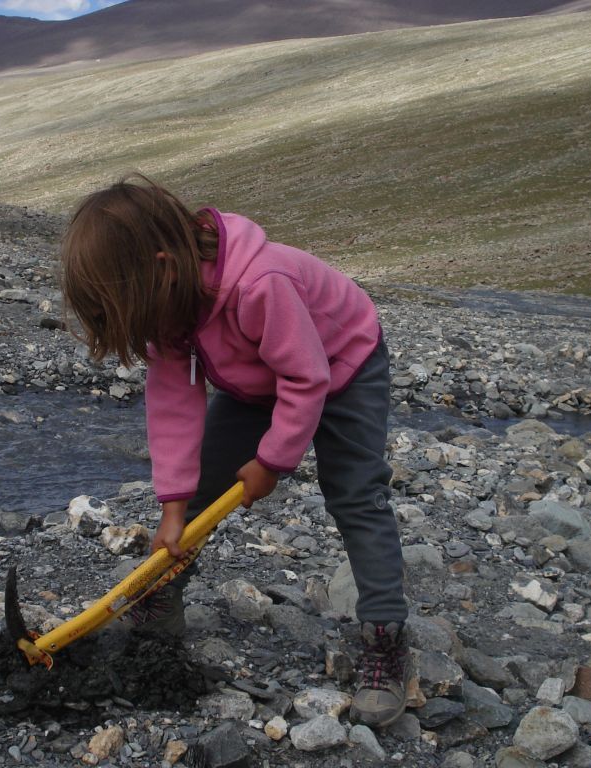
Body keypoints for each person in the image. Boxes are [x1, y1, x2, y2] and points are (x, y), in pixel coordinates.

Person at [59, 175, 412, 727]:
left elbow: (306, 376)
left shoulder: (259, 284)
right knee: (202, 487)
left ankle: (387, 639)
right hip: (259, 382)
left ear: (163, 267)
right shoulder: (169, 306)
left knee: (355, 495)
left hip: (342, 365)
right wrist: (173, 509)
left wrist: (273, 460)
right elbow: (174, 407)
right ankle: (163, 598)